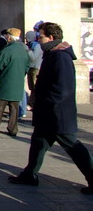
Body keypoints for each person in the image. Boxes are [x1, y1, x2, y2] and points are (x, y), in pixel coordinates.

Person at [8, 22, 93, 194]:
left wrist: (46, 103)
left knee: (74, 147)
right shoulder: (52, 53)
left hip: (57, 114)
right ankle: (29, 174)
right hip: (48, 113)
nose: (38, 40)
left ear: (51, 38)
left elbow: (63, 88)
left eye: (41, 37)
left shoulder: (60, 56)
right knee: (38, 143)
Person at [25, 30, 43, 108]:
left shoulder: (37, 46)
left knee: (34, 87)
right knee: (32, 87)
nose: (25, 39)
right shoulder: (32, 45)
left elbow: (33, 58)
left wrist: (28, 51)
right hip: (31, 67)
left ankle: (33, 104)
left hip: (36, 68)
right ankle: (32, 103)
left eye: (27, 37)